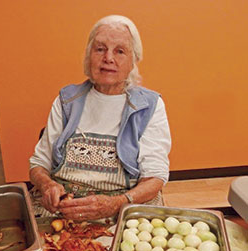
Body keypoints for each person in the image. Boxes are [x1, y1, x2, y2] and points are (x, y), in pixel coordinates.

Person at [29, 14, 171, 221]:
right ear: (89, 56)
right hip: (64, 207)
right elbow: (38, 165)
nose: (108, 59)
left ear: (133, 61)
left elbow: (155, 178)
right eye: (100, 49)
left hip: (123, 206)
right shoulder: (67, 100)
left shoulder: (149, 106)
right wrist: (47, 185)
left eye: (120, 51)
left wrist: (117, 203)